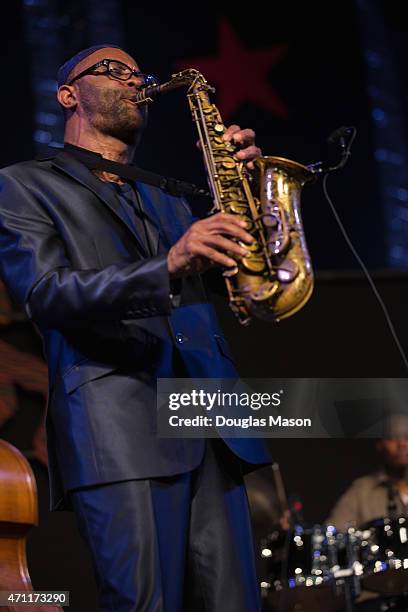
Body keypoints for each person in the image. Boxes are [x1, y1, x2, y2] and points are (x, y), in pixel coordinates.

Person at [0, 44, 273, 611]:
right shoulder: (22, 184)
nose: (132, 81)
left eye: (136, 73)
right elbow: (45, 294)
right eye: (111, 70)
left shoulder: (167, 195)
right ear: (68, 94)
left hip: (211, 424)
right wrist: (169, 264)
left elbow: (253, 276)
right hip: (119, 429)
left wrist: (256, 196)